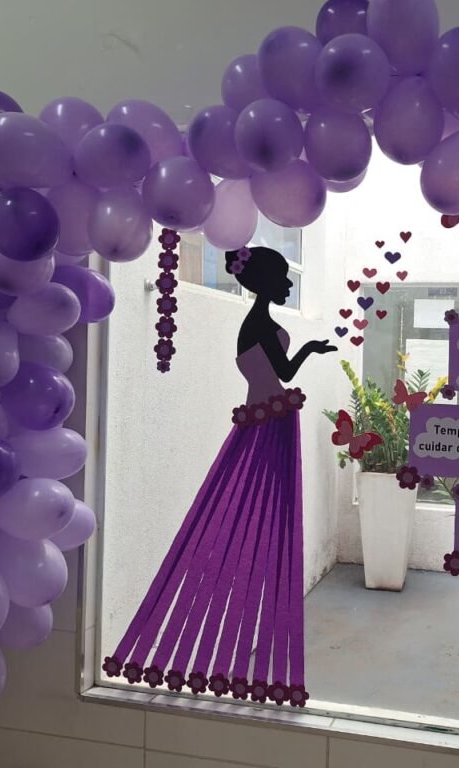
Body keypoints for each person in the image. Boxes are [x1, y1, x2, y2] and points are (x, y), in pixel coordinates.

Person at [103, 245, 335, 707]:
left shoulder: (254, 323)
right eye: (283, 278)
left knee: (258, 521)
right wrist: (310, 348)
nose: (288, 285)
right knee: (268, 525)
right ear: (265, 283)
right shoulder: (261, 325)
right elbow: (284, 371)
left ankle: (232, 651)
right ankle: (229, 652)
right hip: (270, 425)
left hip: (262, 418)